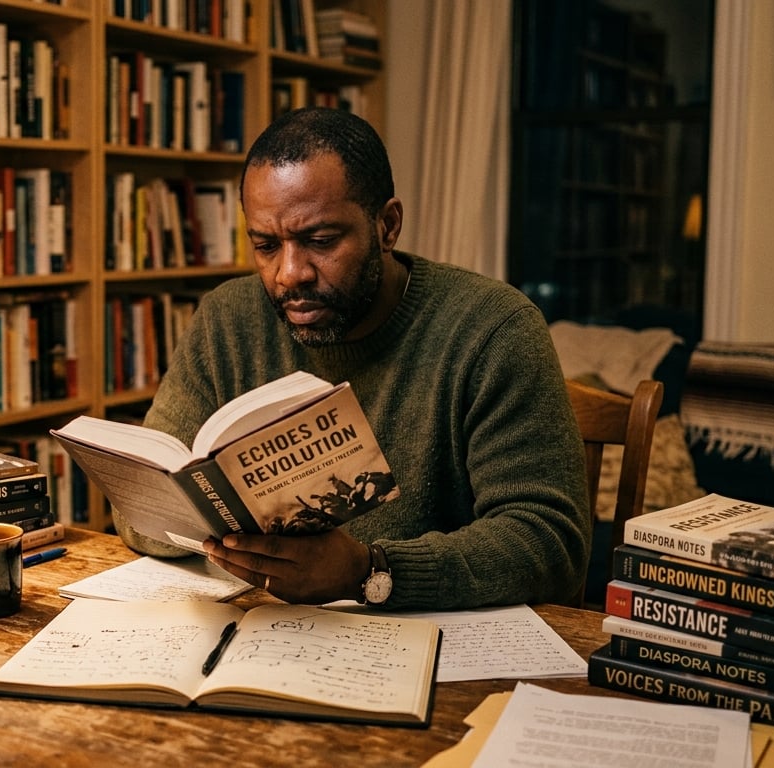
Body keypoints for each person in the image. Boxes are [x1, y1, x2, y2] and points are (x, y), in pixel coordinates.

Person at [113, 107, 590, 610]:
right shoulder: (226, 320)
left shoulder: (492, 329)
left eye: (319, 241)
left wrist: (369, 572)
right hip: (259, 627)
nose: (288, 273)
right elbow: (142, 505)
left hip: (431, 643)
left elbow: (550, 544)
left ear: (387, 226)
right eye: (265, 245)